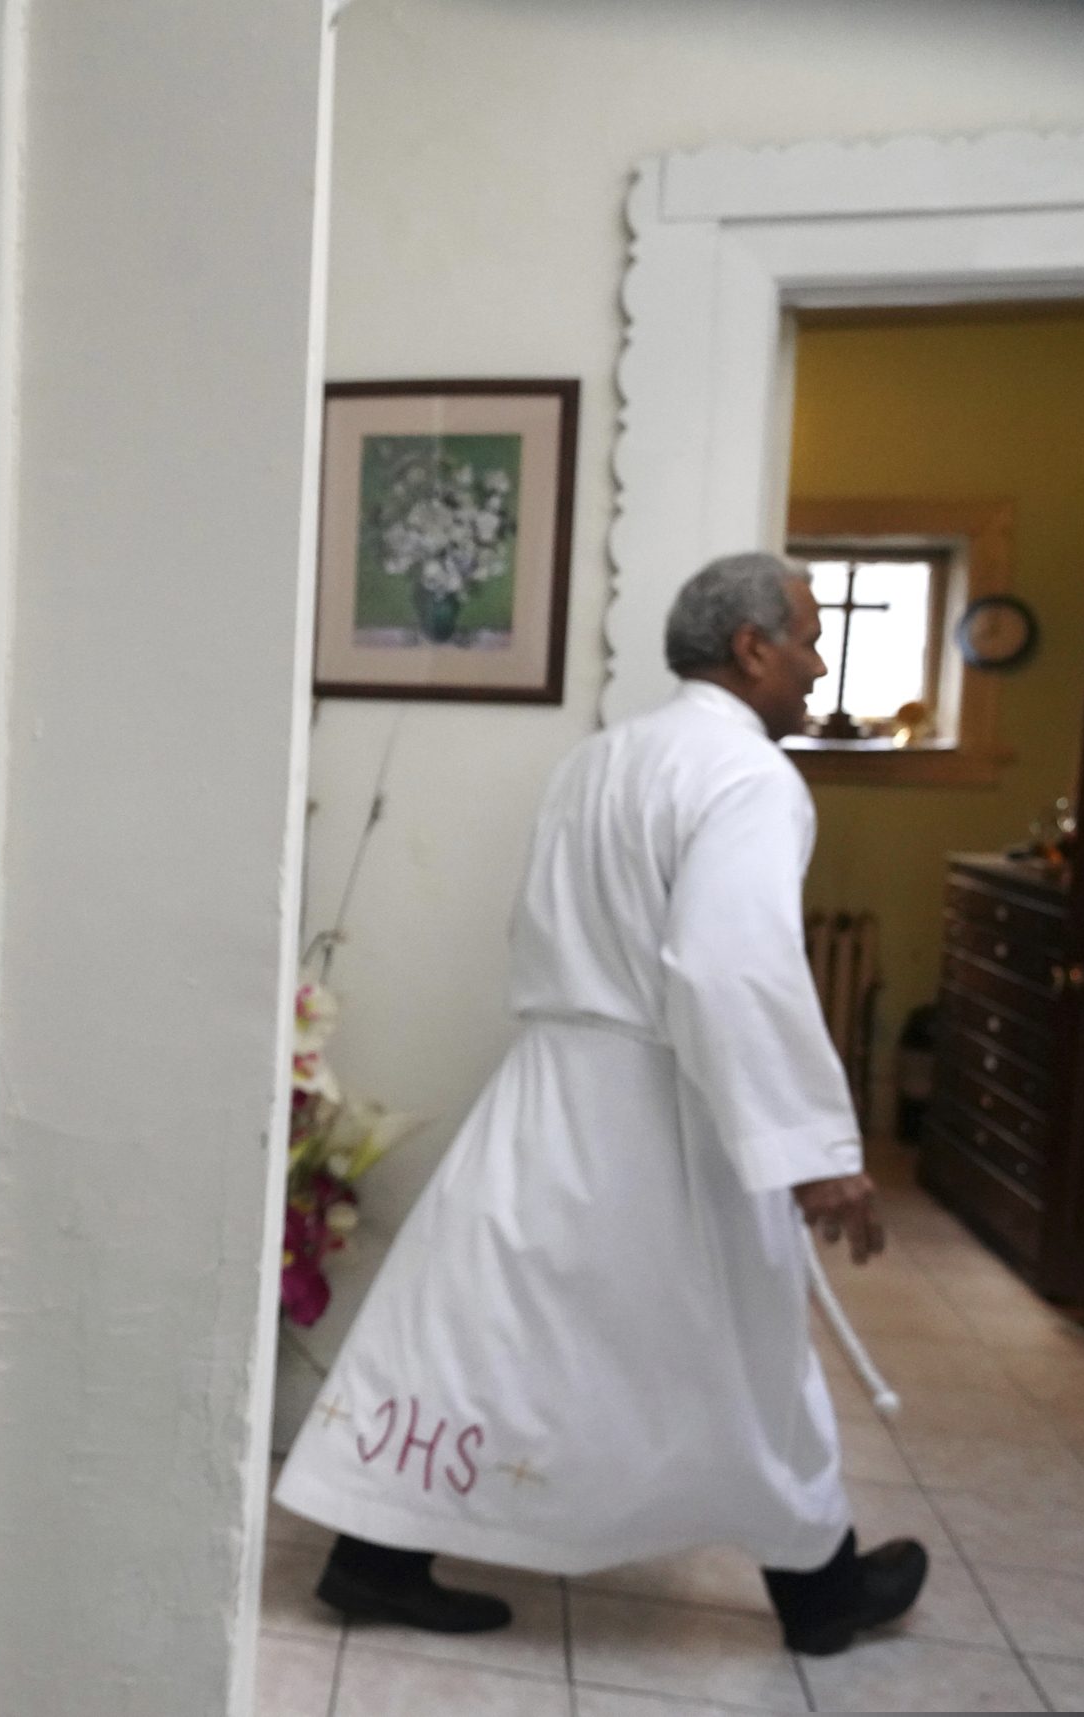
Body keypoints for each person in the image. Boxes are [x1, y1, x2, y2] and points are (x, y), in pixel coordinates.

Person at [272, 553, 927, 1658]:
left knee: (490, 1330)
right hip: (657, 1107)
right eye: (808, 638)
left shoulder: (602, 759)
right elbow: (731, 966)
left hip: (551, 1086)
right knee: (740, 1340)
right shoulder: (750, 777)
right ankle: (817, 1598)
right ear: (750, 646)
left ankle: (372, 1556)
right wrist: (814, 1148)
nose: (818, 664)